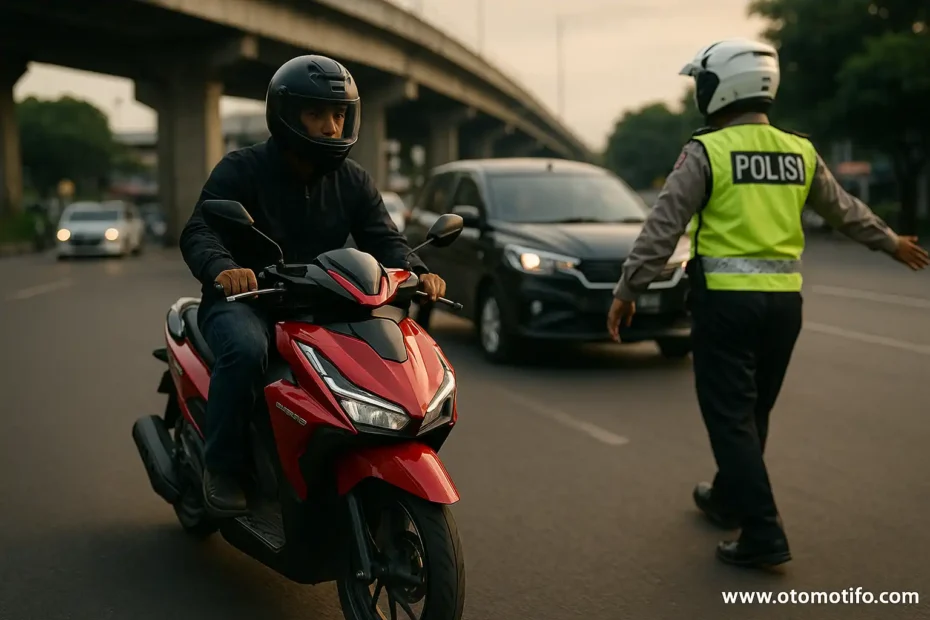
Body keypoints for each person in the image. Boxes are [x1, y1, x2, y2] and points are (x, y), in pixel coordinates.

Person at [606, 38, 929, 568]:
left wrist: (627, 290)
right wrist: (890, 241)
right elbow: (844, 210)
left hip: (725, 305)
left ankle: (762, 530)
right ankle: (731, 496)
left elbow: (662, 228)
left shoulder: (706, 151)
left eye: (702, 83)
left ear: (721, 88)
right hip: (783, 307)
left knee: (729, 415)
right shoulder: (799, 150)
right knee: (753, 410)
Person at [179, 55, 447, 518]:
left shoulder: (353, 180)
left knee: (375, 355)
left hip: (322, 304)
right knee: (245, 349)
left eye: (339, 115)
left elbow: (384, 238)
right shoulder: (243, 169)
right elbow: (199, 230)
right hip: (247, 302)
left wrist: (417, 272)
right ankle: (222, 467)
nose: (330, 126)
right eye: (317, 114)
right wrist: (224, 268)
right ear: (286, 115)